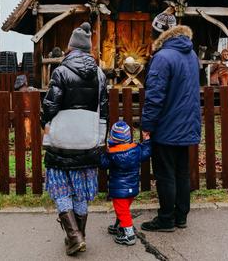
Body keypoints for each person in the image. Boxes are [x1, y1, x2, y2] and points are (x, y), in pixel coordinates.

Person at [41, 22, 108, 256]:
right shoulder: (99, 75)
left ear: (70, 48)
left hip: (62, 139)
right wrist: (99, 138)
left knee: (61, 189)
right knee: (80, 191)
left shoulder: (60, 71)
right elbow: (104, 110)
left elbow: (50, 106)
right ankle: (79, 235)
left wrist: (44, 126)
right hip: (87, 140)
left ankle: (73, 235)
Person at [141, 12, 201, 232]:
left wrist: (147, 126)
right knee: (181, 172)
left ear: (158, 33)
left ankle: (166, 219)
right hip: (187, 123)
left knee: (165, 173)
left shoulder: (163, 57)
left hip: (167, 125)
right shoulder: (192, 55)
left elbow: (154, 96)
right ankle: (181, 216)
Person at [100, 121, 152, 246]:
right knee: (123, 209)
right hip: (132, 189)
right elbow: (147, 151)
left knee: (123, 211)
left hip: (119, 191)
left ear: (112, 138)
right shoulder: (136, 150)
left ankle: (129, 235)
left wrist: (99, 152)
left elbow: (102, 164)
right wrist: (147, 140)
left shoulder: (112, 154)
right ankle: (121, 226)